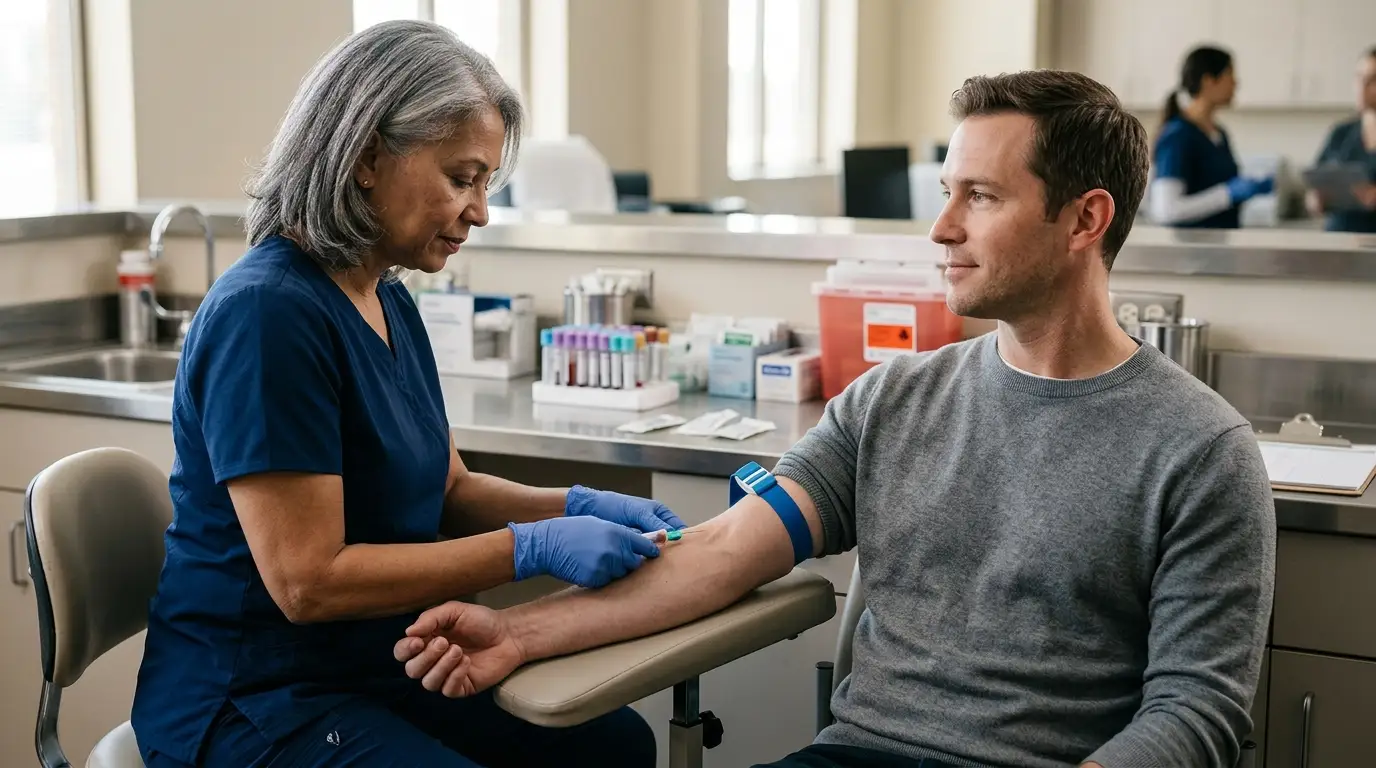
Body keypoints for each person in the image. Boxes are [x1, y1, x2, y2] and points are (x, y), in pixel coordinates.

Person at [395, 70, 1277, 768]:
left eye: (980, 197)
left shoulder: (1199, 451)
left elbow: (1196, 712)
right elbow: (720, 555)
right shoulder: (894, 402)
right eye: (946, 190)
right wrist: (516, 630)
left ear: (1086, 219)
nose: (939, 228)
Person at [130, 20, 677, 768]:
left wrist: (579, 506)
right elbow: (307, 583)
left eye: (486, 183)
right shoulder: (267, 314)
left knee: (613, 747)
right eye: (462, 178)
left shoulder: (389, 300)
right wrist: (531, 549)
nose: (480, 211)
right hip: (254, 702)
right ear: (364, 158)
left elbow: (449, 488)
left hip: (378, 663)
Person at [1149, 45, 1273, 228]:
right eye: (1229, 74)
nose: (1235, 83)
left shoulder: (1219, 135)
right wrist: (1228, 194)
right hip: (1190, 252)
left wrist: (1247, 190)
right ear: (1208, 81)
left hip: (1220, 248)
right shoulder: (1178, 136)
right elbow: (1166, 210)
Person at [1306, 46, 1376, 232]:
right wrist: (1316, 200)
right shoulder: (1341, 133)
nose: (1362, 87)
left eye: (1372, 80)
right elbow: (1316, 184)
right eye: (1359, 77)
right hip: (1340, 243)